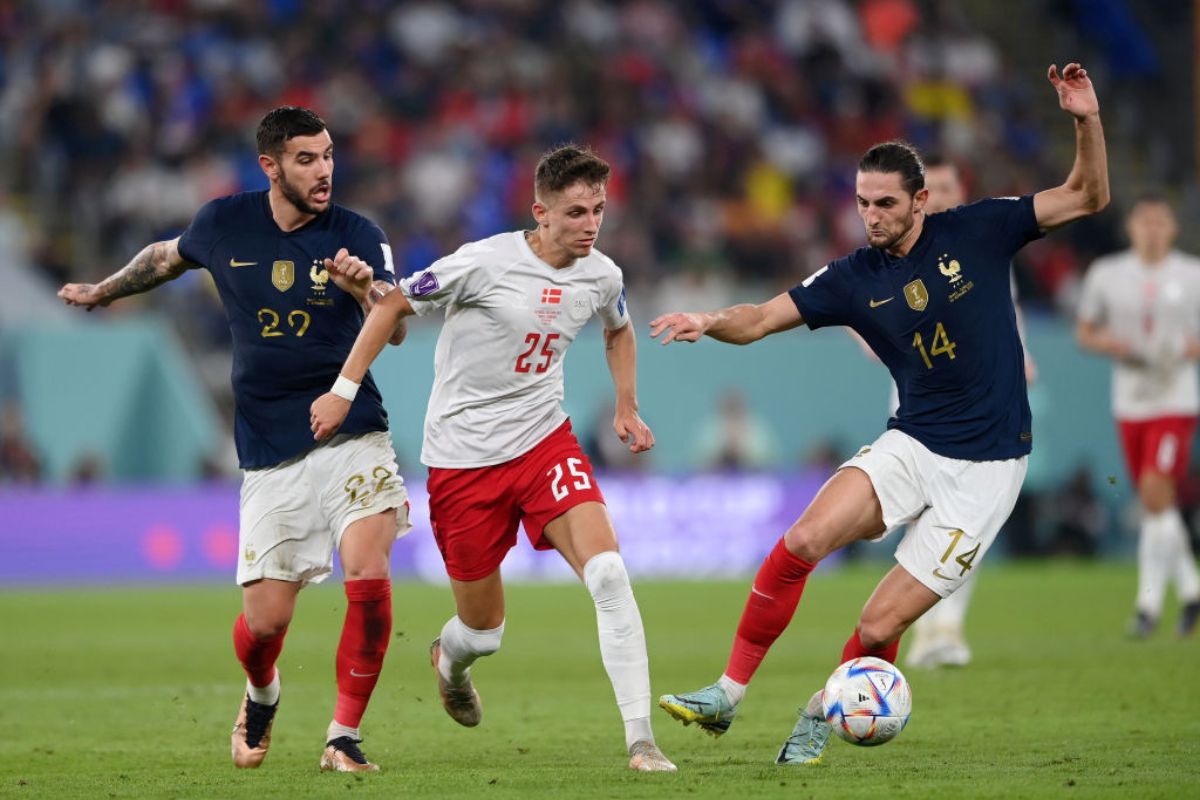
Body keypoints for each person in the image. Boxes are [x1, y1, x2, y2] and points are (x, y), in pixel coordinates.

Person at [651, 63, 1108, 766]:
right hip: (915, 442)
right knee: (803, 538)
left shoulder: (980, 230)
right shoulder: (851, 278)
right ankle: (727, 693)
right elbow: (761, 317)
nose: (872, 216)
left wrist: (1084, 118)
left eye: (886, 204)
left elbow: (1087, 195)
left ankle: (817, 714)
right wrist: (708, 318)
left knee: (877, 622)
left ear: (921, 200)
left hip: (987, 469)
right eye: (863, 203)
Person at [58, 106, 412, 773]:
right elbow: (165, 258)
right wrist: (104, 292)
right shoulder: (224, 222)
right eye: (307, 159)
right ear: (270, 166)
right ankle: (261, 692)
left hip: (350, 428)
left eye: (329, 155)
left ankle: (343, 736)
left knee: (368, 568)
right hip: (267, 445)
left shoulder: (357, 234)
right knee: (265, 625)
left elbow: (395, 325)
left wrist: (365, 291)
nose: (324, 170)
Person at [309, 144, 677, 772]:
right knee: (484, 632)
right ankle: (450, 661)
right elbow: (394, 302)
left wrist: (626, 406)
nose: (591, 224)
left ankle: (642, 742)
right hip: (463, 461)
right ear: (540, 212)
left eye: (599, 211)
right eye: (576, 213)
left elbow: (618, 327)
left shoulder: (602, 275)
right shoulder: (482, 264)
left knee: (610, 575)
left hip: (544, 443)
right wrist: (342, 391)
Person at [901, 154, 1037, 669]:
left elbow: (1008, 310)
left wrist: (1024, 354)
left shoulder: (982, 244)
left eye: (943, 186)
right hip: (914, 405)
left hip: (977, 407)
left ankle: (947, 627)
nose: (935, 195)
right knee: (918, 523)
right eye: (927, 187)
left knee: (963, 523)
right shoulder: (898, 250)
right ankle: (925, 628)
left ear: (961, 191)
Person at [1076, 194, 1200, 638]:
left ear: (1172, 227)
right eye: (1144, 221)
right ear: (1130, 228)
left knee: (1154, 492)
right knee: (1156, 505)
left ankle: (1147, 606)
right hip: (1129, 400)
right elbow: (1085, 331)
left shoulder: (1192, 274)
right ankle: (1190, 590)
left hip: (1176, 399)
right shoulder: (1107, 274)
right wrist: (1110, 344)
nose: (1151, 229)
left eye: (1159, 221)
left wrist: (1189, 349)